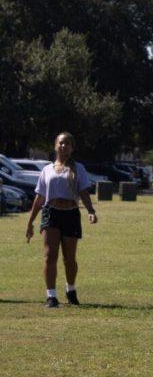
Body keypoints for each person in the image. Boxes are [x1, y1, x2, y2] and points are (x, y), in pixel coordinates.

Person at [25, 131, 98, 307]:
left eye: (67, 143)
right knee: (50, 255)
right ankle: (51, 296)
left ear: (72, 148)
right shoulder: (46, 170)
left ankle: (71, 290)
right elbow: (39, 198)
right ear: (55, 146)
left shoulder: (78, 168)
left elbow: (83, 192)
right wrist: (30, 222)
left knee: (69, 258)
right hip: (51, 213)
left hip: (71, 214)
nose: (63, 146)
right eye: (60, 143)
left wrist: (91, 210)